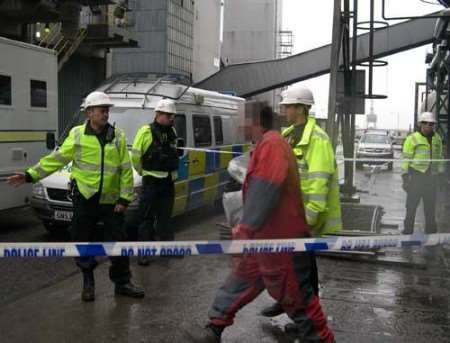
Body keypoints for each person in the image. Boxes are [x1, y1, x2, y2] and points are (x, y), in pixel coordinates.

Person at [186, 107, 335, 343]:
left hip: (281, 242)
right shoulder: (267, 144)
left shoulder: (272, 144)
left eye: (241, 121)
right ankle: (213, 327)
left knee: (298, 298)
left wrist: (244, 230)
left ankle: (320, 339)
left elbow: (265, 189)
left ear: (254, 122)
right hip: (264, 239)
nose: (238, 126)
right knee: (239, 281)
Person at [7, 91, 145, 302]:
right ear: (89, 112)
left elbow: (125, 170)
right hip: (85, 199)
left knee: (118, 243)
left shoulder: (117, 136)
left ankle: (122, 282)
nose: (106, 113)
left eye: (107, 110)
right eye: (102, 110)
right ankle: (88, 282)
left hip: (111, 202)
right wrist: (30, 175)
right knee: (82, 242)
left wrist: (125, 199)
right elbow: (57, 159)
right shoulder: (78, 135)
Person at [261, 86, 342, 319]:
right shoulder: (287, 136)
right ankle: (287, 302)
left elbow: (319, 183)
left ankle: (306, 317)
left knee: (303, 271)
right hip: (287, 215)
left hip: (303, 217)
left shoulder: (318, 140)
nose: (284, 110)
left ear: (301, 108)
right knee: (289, 263)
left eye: (287, 106)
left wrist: (309, 219)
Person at [131, 98, 180, 266]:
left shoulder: (172, 131)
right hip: (151, 181)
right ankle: (144, 253)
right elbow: (136, 156)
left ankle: (168, 249)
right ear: (158, 114)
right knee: (146, 218)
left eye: (172, 116)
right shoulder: (146, 131)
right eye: (168, 115)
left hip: (168, 182)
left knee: (166, 217)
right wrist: (143, 172)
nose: (171, 118)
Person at [402, 111, 445, 234]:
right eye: (426, 123)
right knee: (411, 206)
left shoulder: (437, 139)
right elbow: (406, 159)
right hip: (416, 176)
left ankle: (431, 233)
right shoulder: (412, 138)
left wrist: (441, 175)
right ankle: (407, 231)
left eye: (431, 124)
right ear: (420, 124)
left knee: (430, 207)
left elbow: (440, 157)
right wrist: (405, 178)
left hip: (431, 178)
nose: (428, 126)